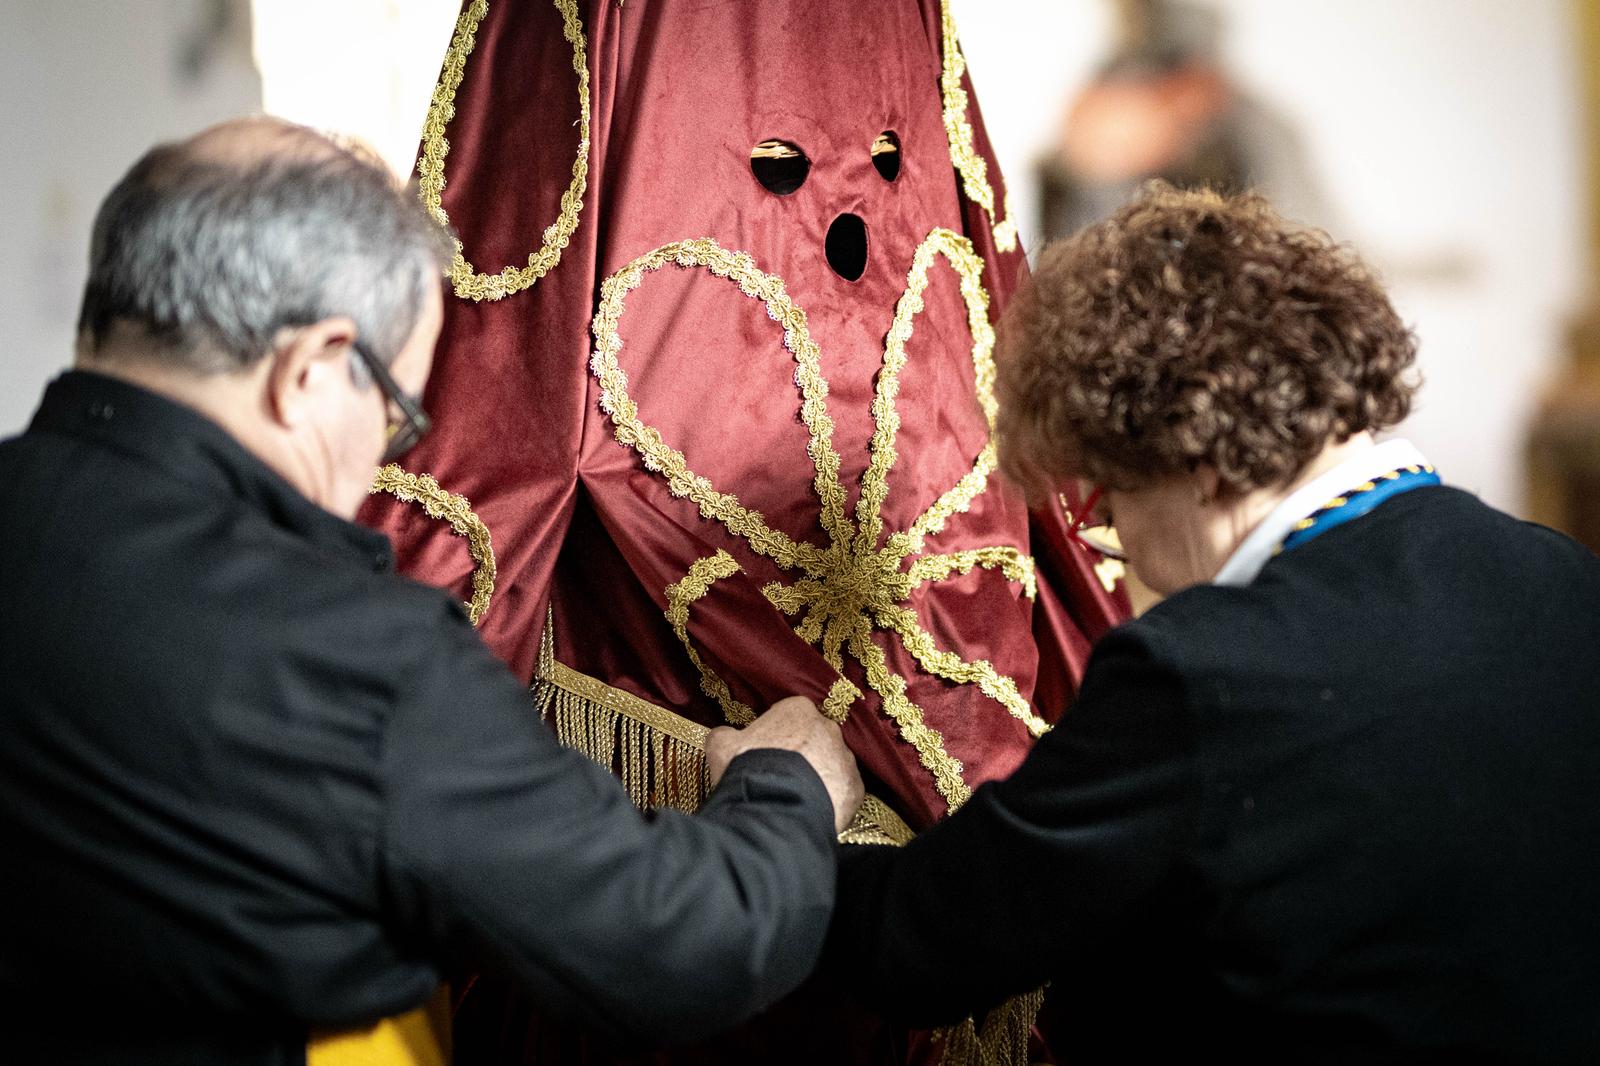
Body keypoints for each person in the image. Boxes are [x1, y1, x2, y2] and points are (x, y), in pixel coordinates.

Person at [0, 116, 863, 1065]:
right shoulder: (348, 656)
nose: (382, 461)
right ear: (312, 371)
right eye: (398, 418)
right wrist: (787, 790)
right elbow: (681, 944)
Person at [827, 184, 1600, 1062]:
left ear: (1189, 452)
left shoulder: (1200, 676)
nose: (1110, 540)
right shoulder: (1562, 577)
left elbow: (919, 944)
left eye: (1108, 492)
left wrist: (793, 798)